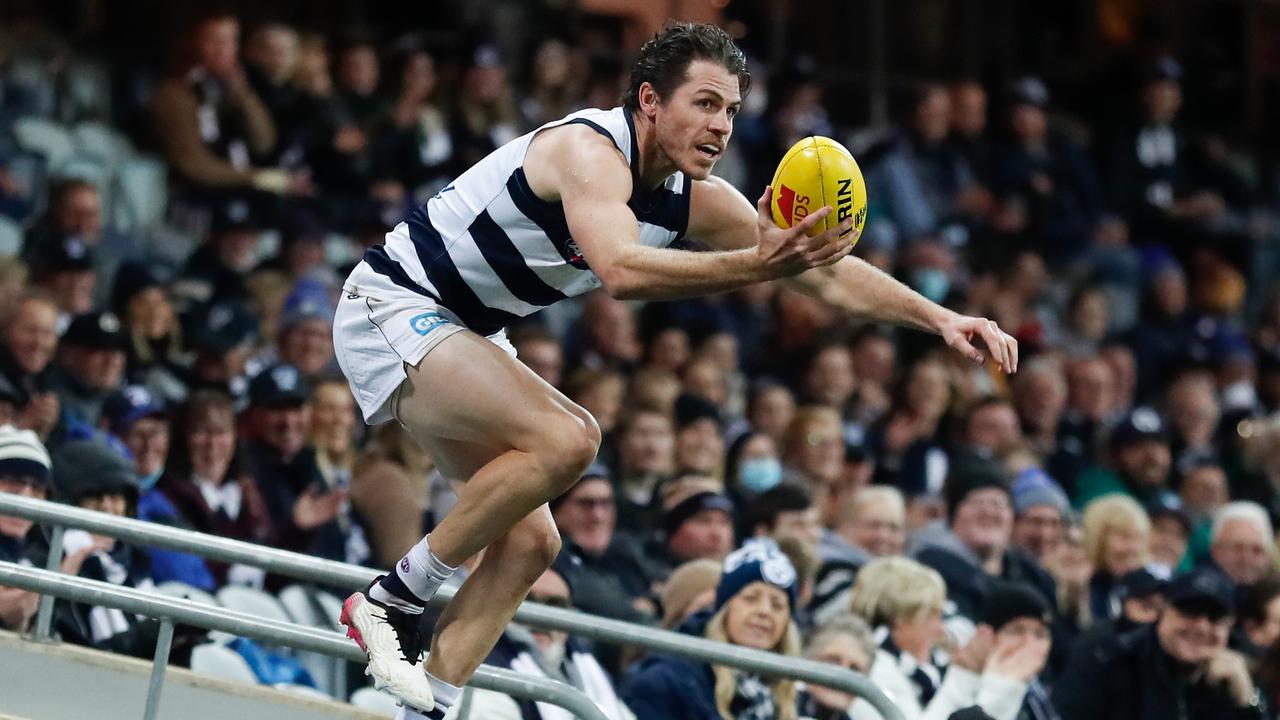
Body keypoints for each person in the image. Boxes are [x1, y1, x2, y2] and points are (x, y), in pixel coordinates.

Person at [333, 23, 1018, 718]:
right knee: (571, 439)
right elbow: (621, 270)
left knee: (531, 543)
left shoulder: (697, 198)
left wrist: (940, 319)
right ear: (652, 100)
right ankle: (391, 601)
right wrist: (754, 265)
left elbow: (827, 278)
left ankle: (425, 709)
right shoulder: (588, 150)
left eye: (731, 110)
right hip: (395, 302)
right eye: (706, 103)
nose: (721, 125)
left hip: (468, 328)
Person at [621, 540, 804, 720]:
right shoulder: (664, 682)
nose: (765, 611)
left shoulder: (788, 693)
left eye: (777, 605)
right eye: (750, 598)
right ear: (724, 609)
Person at [1054, 568, 1265, 720]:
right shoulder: (1108, 658)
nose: (1202, 627)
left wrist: (1246, 701)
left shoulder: (1241, 669)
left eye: (1215, 618)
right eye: (1189, 612)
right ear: (1162, 613)